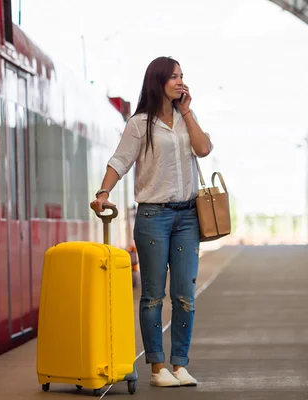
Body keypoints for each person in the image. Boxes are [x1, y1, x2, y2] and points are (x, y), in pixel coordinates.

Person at [90, 56, 213, 387]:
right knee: (154, 295)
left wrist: (187, 111)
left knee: (185, 292)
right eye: (174, 77)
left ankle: (181, 364)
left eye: (182, 77)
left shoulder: (187, 117)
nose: (180, 82)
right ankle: (158, 369)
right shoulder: (139, 124)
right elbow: (120, 160)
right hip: (153, 216)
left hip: (188, 216)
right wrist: (103, 191)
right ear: (158, 81)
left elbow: (203, 149)